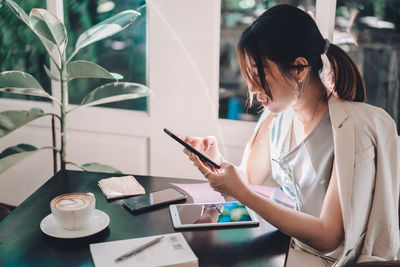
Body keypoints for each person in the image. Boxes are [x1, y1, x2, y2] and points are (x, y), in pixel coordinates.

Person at [181, 4, 399, 267]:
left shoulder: (351, 129)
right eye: (249, 73)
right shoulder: (278, 117)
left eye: (259, 72)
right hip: (286, 246)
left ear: (299, 68)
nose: (251, 86)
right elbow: (247, 180)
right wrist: (213, 163)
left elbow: (328, 236)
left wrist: (242, 191)